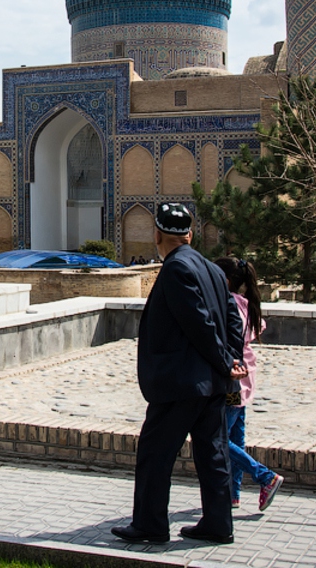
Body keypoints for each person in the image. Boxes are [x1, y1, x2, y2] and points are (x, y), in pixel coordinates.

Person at [112, 203, 246, 546]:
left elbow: (197, 322)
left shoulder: (175, 270)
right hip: (213, 384)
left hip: (181, 383)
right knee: (213, 454)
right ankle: (218, 524)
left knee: (156, 454)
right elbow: (233, 319)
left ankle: (150, 525)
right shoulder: (212, 269)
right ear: (189, 234)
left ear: (157, 235)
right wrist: (230, 359)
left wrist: (221, 359)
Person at [213, 257, 284, 512]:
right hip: (247, 378)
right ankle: (233, 494)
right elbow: (254, 331)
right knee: (235, 436)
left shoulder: (227, 305)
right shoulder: (245, 304)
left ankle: (266, 477)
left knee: (218, 438)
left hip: (233, 381)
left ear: (225, 280)